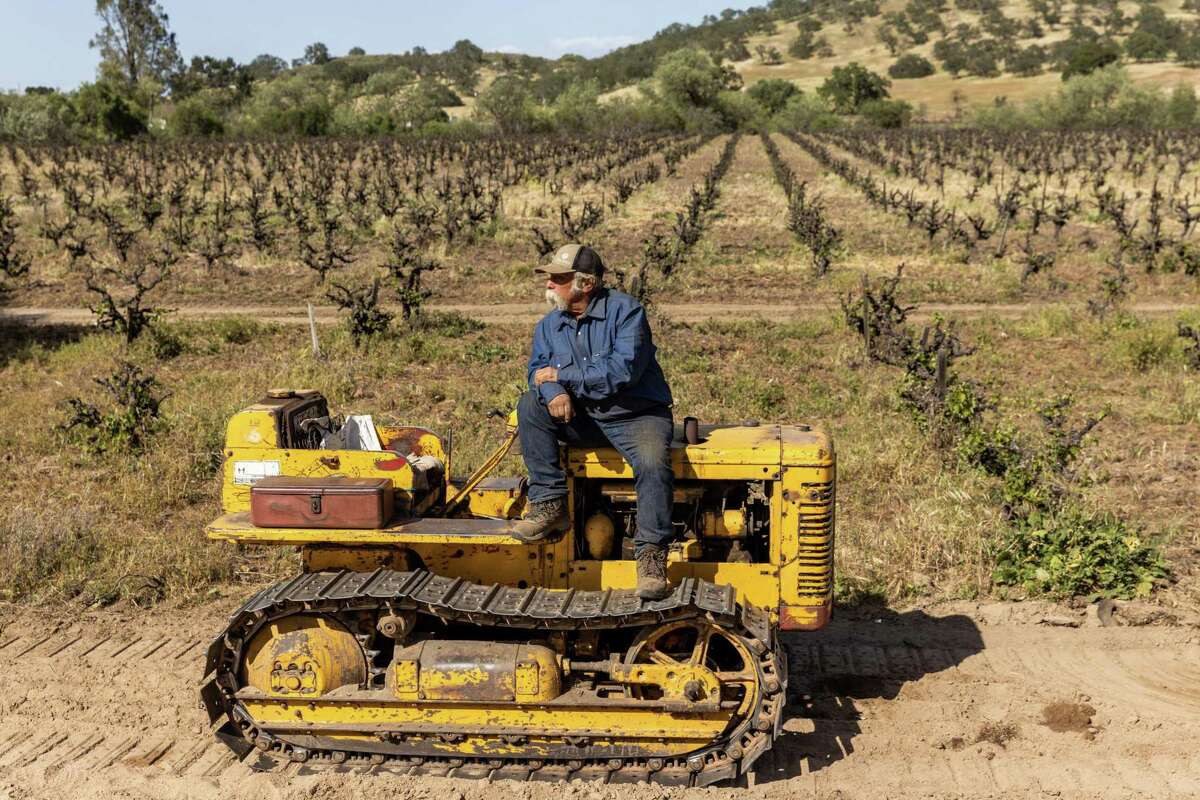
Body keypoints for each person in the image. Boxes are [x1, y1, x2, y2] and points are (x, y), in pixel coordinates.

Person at [513, 243, 676, 600]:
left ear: (585, 284)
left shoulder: (627, 313)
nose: (550, 286)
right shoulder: (549, 325)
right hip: (584, 416)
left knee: (652, 463)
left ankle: (651, 557)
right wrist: (554, 391)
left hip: (635, 414)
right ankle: (549, 503)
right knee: (530, 406)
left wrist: (560, 375)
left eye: (558, 279)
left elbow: (621, 372)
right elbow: (536, 373)